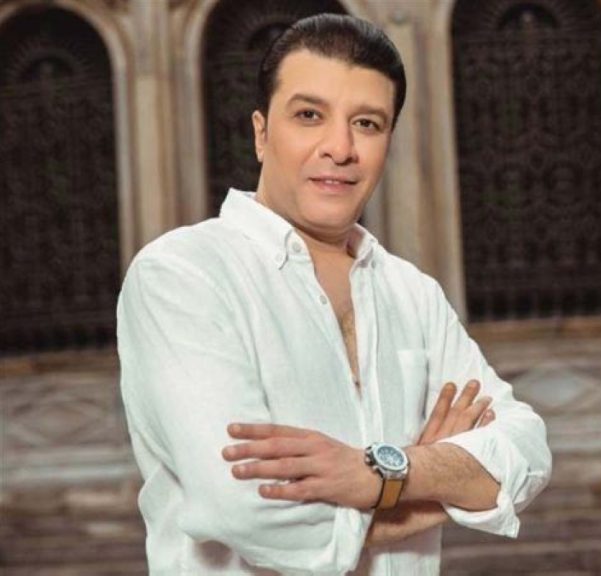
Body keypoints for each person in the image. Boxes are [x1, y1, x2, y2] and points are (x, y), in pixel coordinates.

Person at [117, 14, 551, 575]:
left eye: (367, 123)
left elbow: (527, 453)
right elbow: (245, 509)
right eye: (309, 116)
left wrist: (382, 473)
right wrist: (440, 483)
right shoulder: (182, 275)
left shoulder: (413, 294)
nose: (340, 148)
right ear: (261, 133)